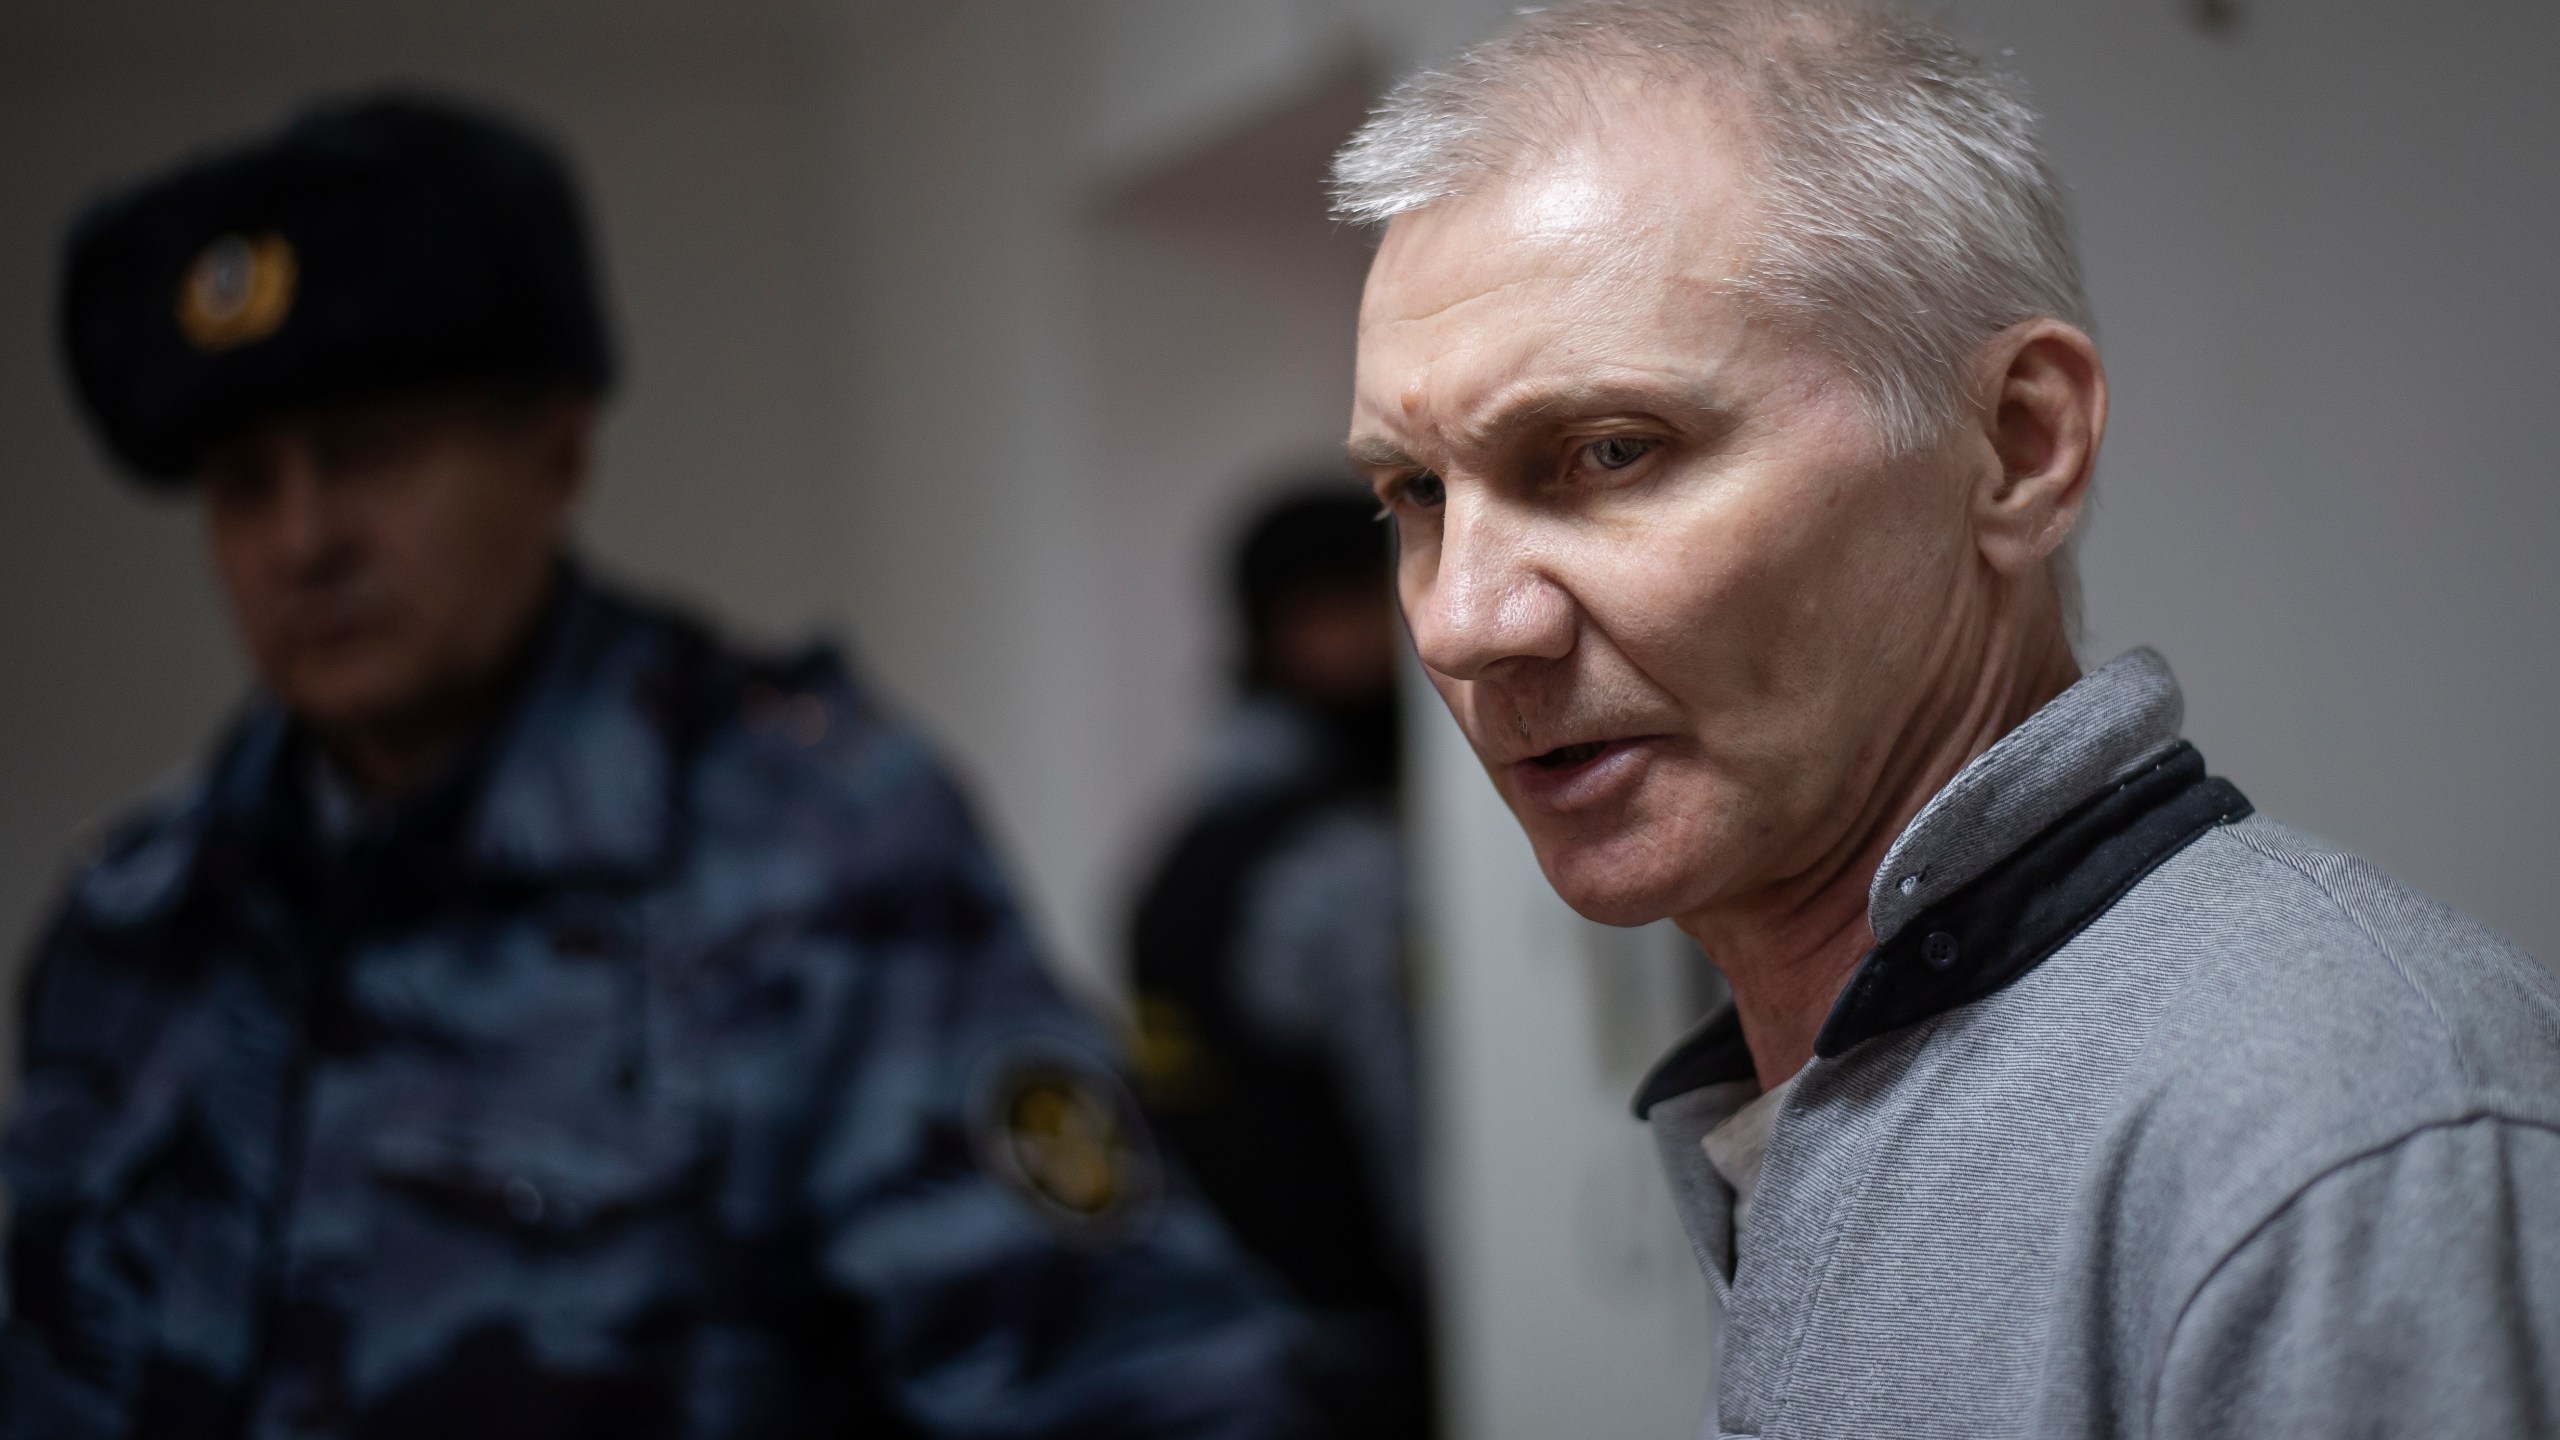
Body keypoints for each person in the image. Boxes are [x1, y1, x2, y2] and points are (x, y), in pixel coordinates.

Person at [2, 93, 1317, 1440]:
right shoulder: (136, 919)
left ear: (556, 452)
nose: (302, 540)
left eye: (370, 457)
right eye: (243, 483)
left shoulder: (809, 856)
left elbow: (1145, 1390)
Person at [1330, 2, 2560, 1437]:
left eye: (1609, 450)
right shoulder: (1849, 1094)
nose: (1464, 621)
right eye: (1415, 494)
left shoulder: (2338, 1147)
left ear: (2019, 445)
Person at [1127, 489, 1429, 1439]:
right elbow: (1424, 1166)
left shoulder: (1189, 842)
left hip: (1217, 1358)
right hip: (1358, 1369)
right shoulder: (1340, 859)